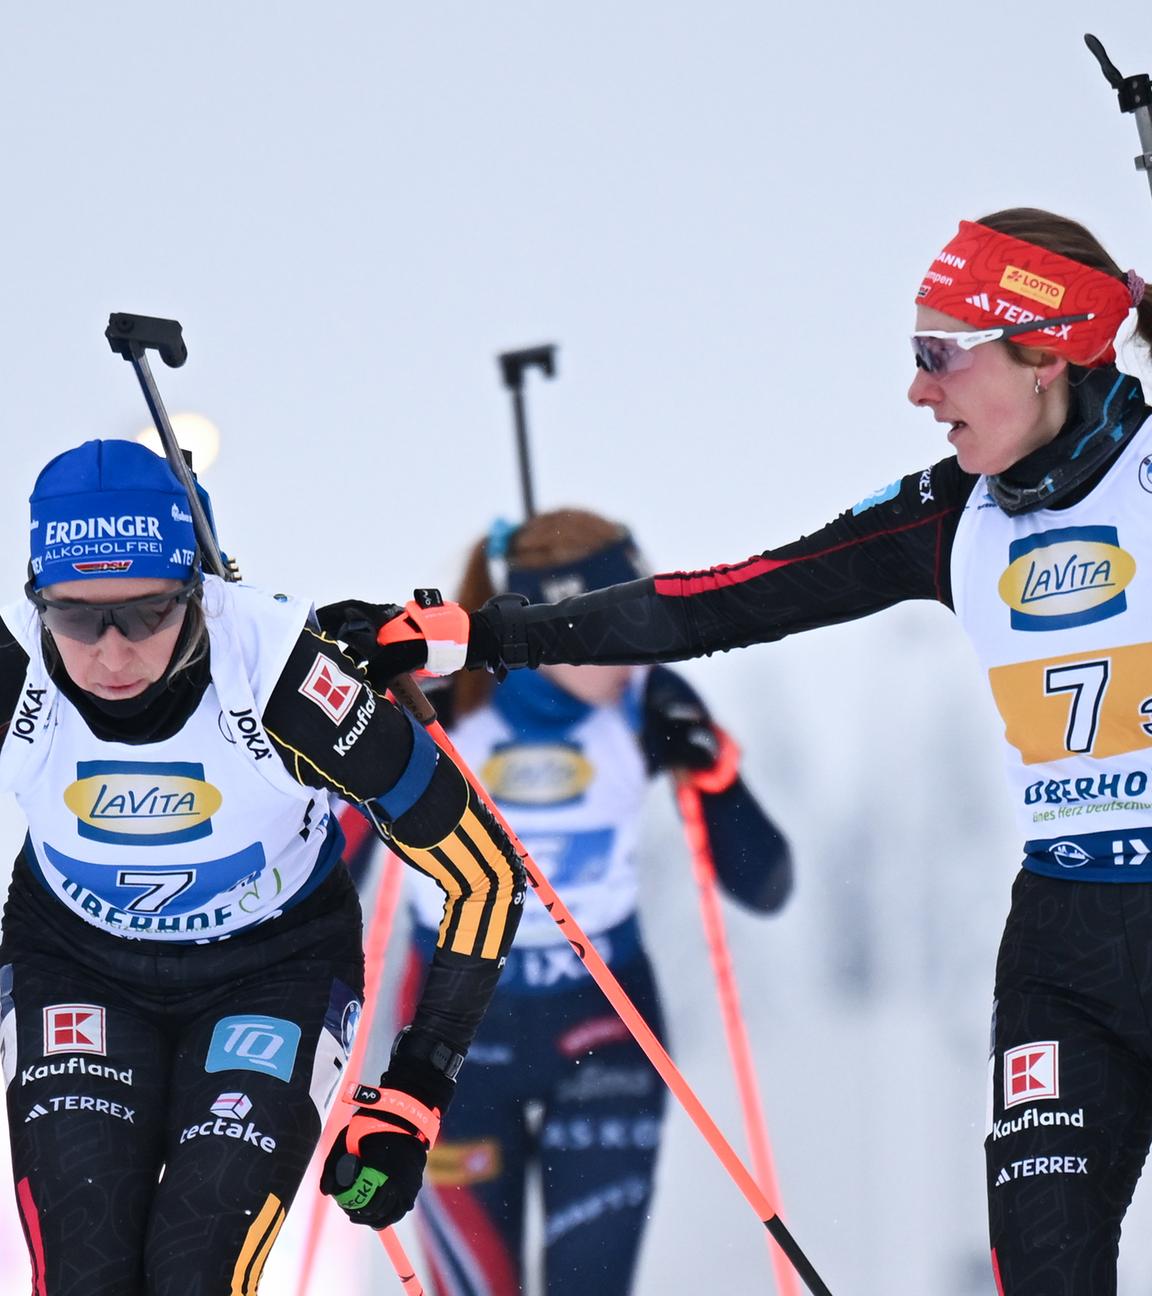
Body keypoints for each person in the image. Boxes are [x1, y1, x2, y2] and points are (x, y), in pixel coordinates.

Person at [326, 209, 1152, 1294]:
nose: (917, 391)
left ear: (1044, 352)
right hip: (1067, 943)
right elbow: (717, 602)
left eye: (937, 356)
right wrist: (483, 633)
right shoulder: (953, 517)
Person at [0, 439, 525, 1295]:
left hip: (270, 976)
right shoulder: (14, 672)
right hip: (77, 965)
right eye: (74, 618)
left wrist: (415, 1092)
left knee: (197, 1270)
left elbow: (483, 874)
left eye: (145, 614)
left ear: (198, 590)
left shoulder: (283, 680)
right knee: (86, 1274)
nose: (111, 654)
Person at [338, 509, 792, 1295]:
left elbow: (766, 884)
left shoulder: (648, 697)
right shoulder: (430, 700)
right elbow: (331, 871)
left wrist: (716, 773)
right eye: (621, 615)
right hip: (453, 1049)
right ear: (558, 612)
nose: (640, 638)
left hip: (604, 1028)